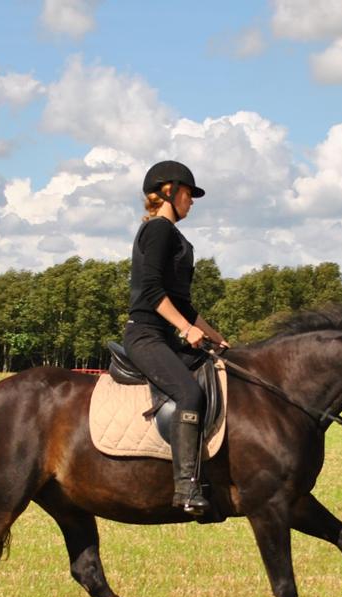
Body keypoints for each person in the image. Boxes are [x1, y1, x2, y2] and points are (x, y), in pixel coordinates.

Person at [123, 160, 230, 516]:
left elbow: (182, 302)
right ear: (169, 191)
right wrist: (186, 329)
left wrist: (216, 338)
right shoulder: (158, 231)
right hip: (145, 335)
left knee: (214, 373)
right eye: (189, 193)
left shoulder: (176, 237)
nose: (192, 201)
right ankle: (185, 488)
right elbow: (152, 293)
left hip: (166, 335)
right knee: (189, 392)